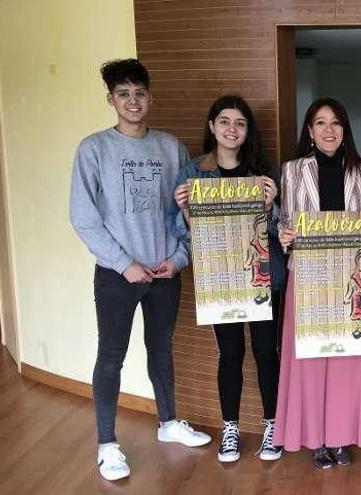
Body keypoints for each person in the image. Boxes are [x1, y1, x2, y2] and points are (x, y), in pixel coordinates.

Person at [69, 58, 211, 482]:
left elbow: (191, 211)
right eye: (124, 94)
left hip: (165, 271)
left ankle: (168, 422)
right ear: (111, 99)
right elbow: (83, 217)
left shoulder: (171, 148)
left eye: (140, 93)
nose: (133, 101)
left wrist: (179, 259)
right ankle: (107, 444)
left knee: (162, 350)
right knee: (110, 355)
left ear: (151, 98)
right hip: (118, 275)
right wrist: (123, 263)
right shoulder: (93, 149)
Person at [168, 95, 284, 463]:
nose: (231, 129)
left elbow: (281, 230)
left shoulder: (264, 172)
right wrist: (185, 210)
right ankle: (230, 427)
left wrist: (271, 205)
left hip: (262, 273)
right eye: (224, 121)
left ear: (248, 130)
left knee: (267, 353)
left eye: (240, 123)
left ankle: (272, 425)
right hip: (220, 276)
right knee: (230, 354)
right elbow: (182, 229)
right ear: (212, 126)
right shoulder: (193, 172)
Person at [274, 98, 361, 469]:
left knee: (345, 361)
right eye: (320, 123)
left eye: (336, 122)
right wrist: (283, 236)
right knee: (312, 360)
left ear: (345, 130)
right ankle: (316, 440)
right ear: (310, 131)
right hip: (307, 277)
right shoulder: (292, 170)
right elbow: (283, 222)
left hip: (349, 278)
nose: (329, 130)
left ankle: (338, 438)